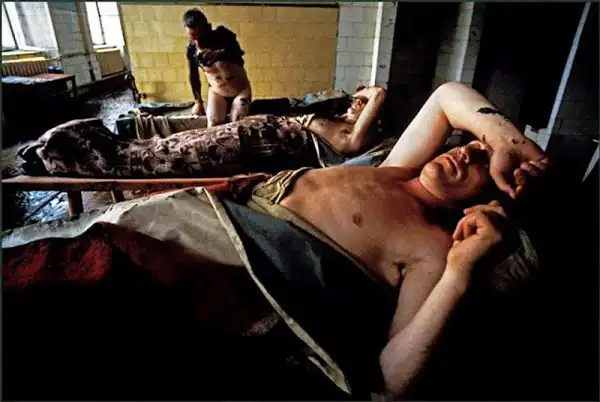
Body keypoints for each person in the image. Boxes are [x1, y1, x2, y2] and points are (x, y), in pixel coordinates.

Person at [237, 81, 549, 397]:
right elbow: (446, 95)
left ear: (485, 199)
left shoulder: (432, 246)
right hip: (226, 208)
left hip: (247, 261)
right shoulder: (396, 168)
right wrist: (504, 140)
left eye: (482, 162)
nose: (465, 152)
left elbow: (390, 382)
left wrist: (459, 273)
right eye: (473, 145)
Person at [19, 86, 387, 178]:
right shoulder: (336, 117)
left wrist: (376, 94)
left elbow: (354, 141)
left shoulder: (352, 133)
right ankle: (71, 148)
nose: (355, 102)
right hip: (252, 132)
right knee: (162, 144)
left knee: (161, 157)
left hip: (255, 143)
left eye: (361, 103)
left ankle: (58, 153)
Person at [183, 8, 252, 127]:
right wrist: (198, 102)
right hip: (217, 92)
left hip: (240, 91)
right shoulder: (192, 50)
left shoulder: (223, 35)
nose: (197, 42)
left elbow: (238, 52)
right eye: (193, 37)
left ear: (208, 28)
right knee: (213, 124)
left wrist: (218, 53)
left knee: (237, 123)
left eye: (200, 37)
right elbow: (193, 76)